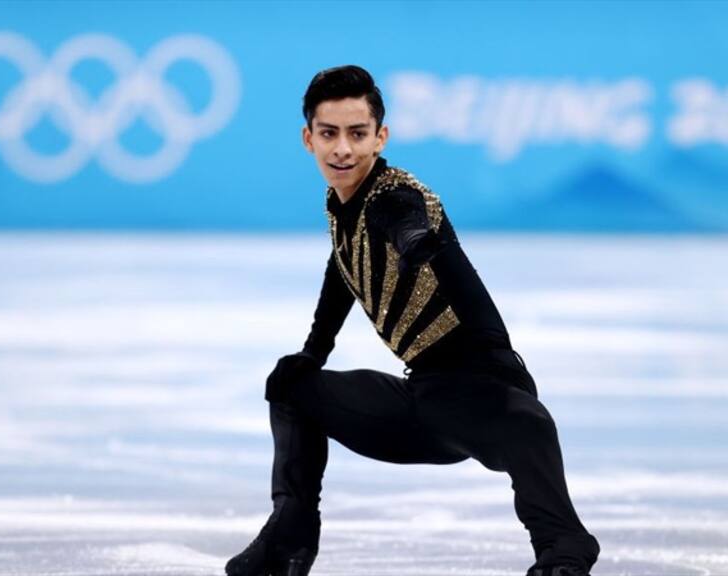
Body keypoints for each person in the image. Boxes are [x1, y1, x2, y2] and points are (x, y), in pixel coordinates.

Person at [225, 65, 600, 576]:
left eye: (358, 134)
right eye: (329, 134)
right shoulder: (341, 203)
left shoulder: (396, 197)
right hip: (423, 403)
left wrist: (415, 242)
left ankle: (566, 553)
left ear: (381, 137)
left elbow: (406, 223)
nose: (343, 150)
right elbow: (343, 264)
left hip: (482, 391)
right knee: (291, 387)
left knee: (529, 426)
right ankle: (288, 540)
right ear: (307, 138)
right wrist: (314, 353)